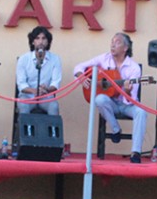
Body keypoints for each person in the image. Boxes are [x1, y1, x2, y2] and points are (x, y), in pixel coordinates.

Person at [73, 33, 148, 164]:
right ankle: (116, 129)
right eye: (112, 42)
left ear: (125, 48)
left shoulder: (134, 68)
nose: (112, 45)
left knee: (141, 112)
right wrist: (81, 76)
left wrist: (127, 90)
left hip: (126, 104)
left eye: (117, 42)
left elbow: (131, 99)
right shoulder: (104, 58)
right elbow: (79, 67)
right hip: (110, 102)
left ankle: (136, 152)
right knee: (99, 99)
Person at [16, 26, 62, 116]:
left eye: (44, 38)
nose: (41, 42)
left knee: (54, 106)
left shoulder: (55, 59)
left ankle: (52, 130)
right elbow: (21, 83)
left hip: (46, 96)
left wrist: (47, 89)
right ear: (33, 42)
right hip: (28, 97)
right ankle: (27, 130)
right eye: (37, 38)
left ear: (48, 42)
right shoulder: (23, 59)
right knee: (23, 106)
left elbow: (56, 83)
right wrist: (33, 91)